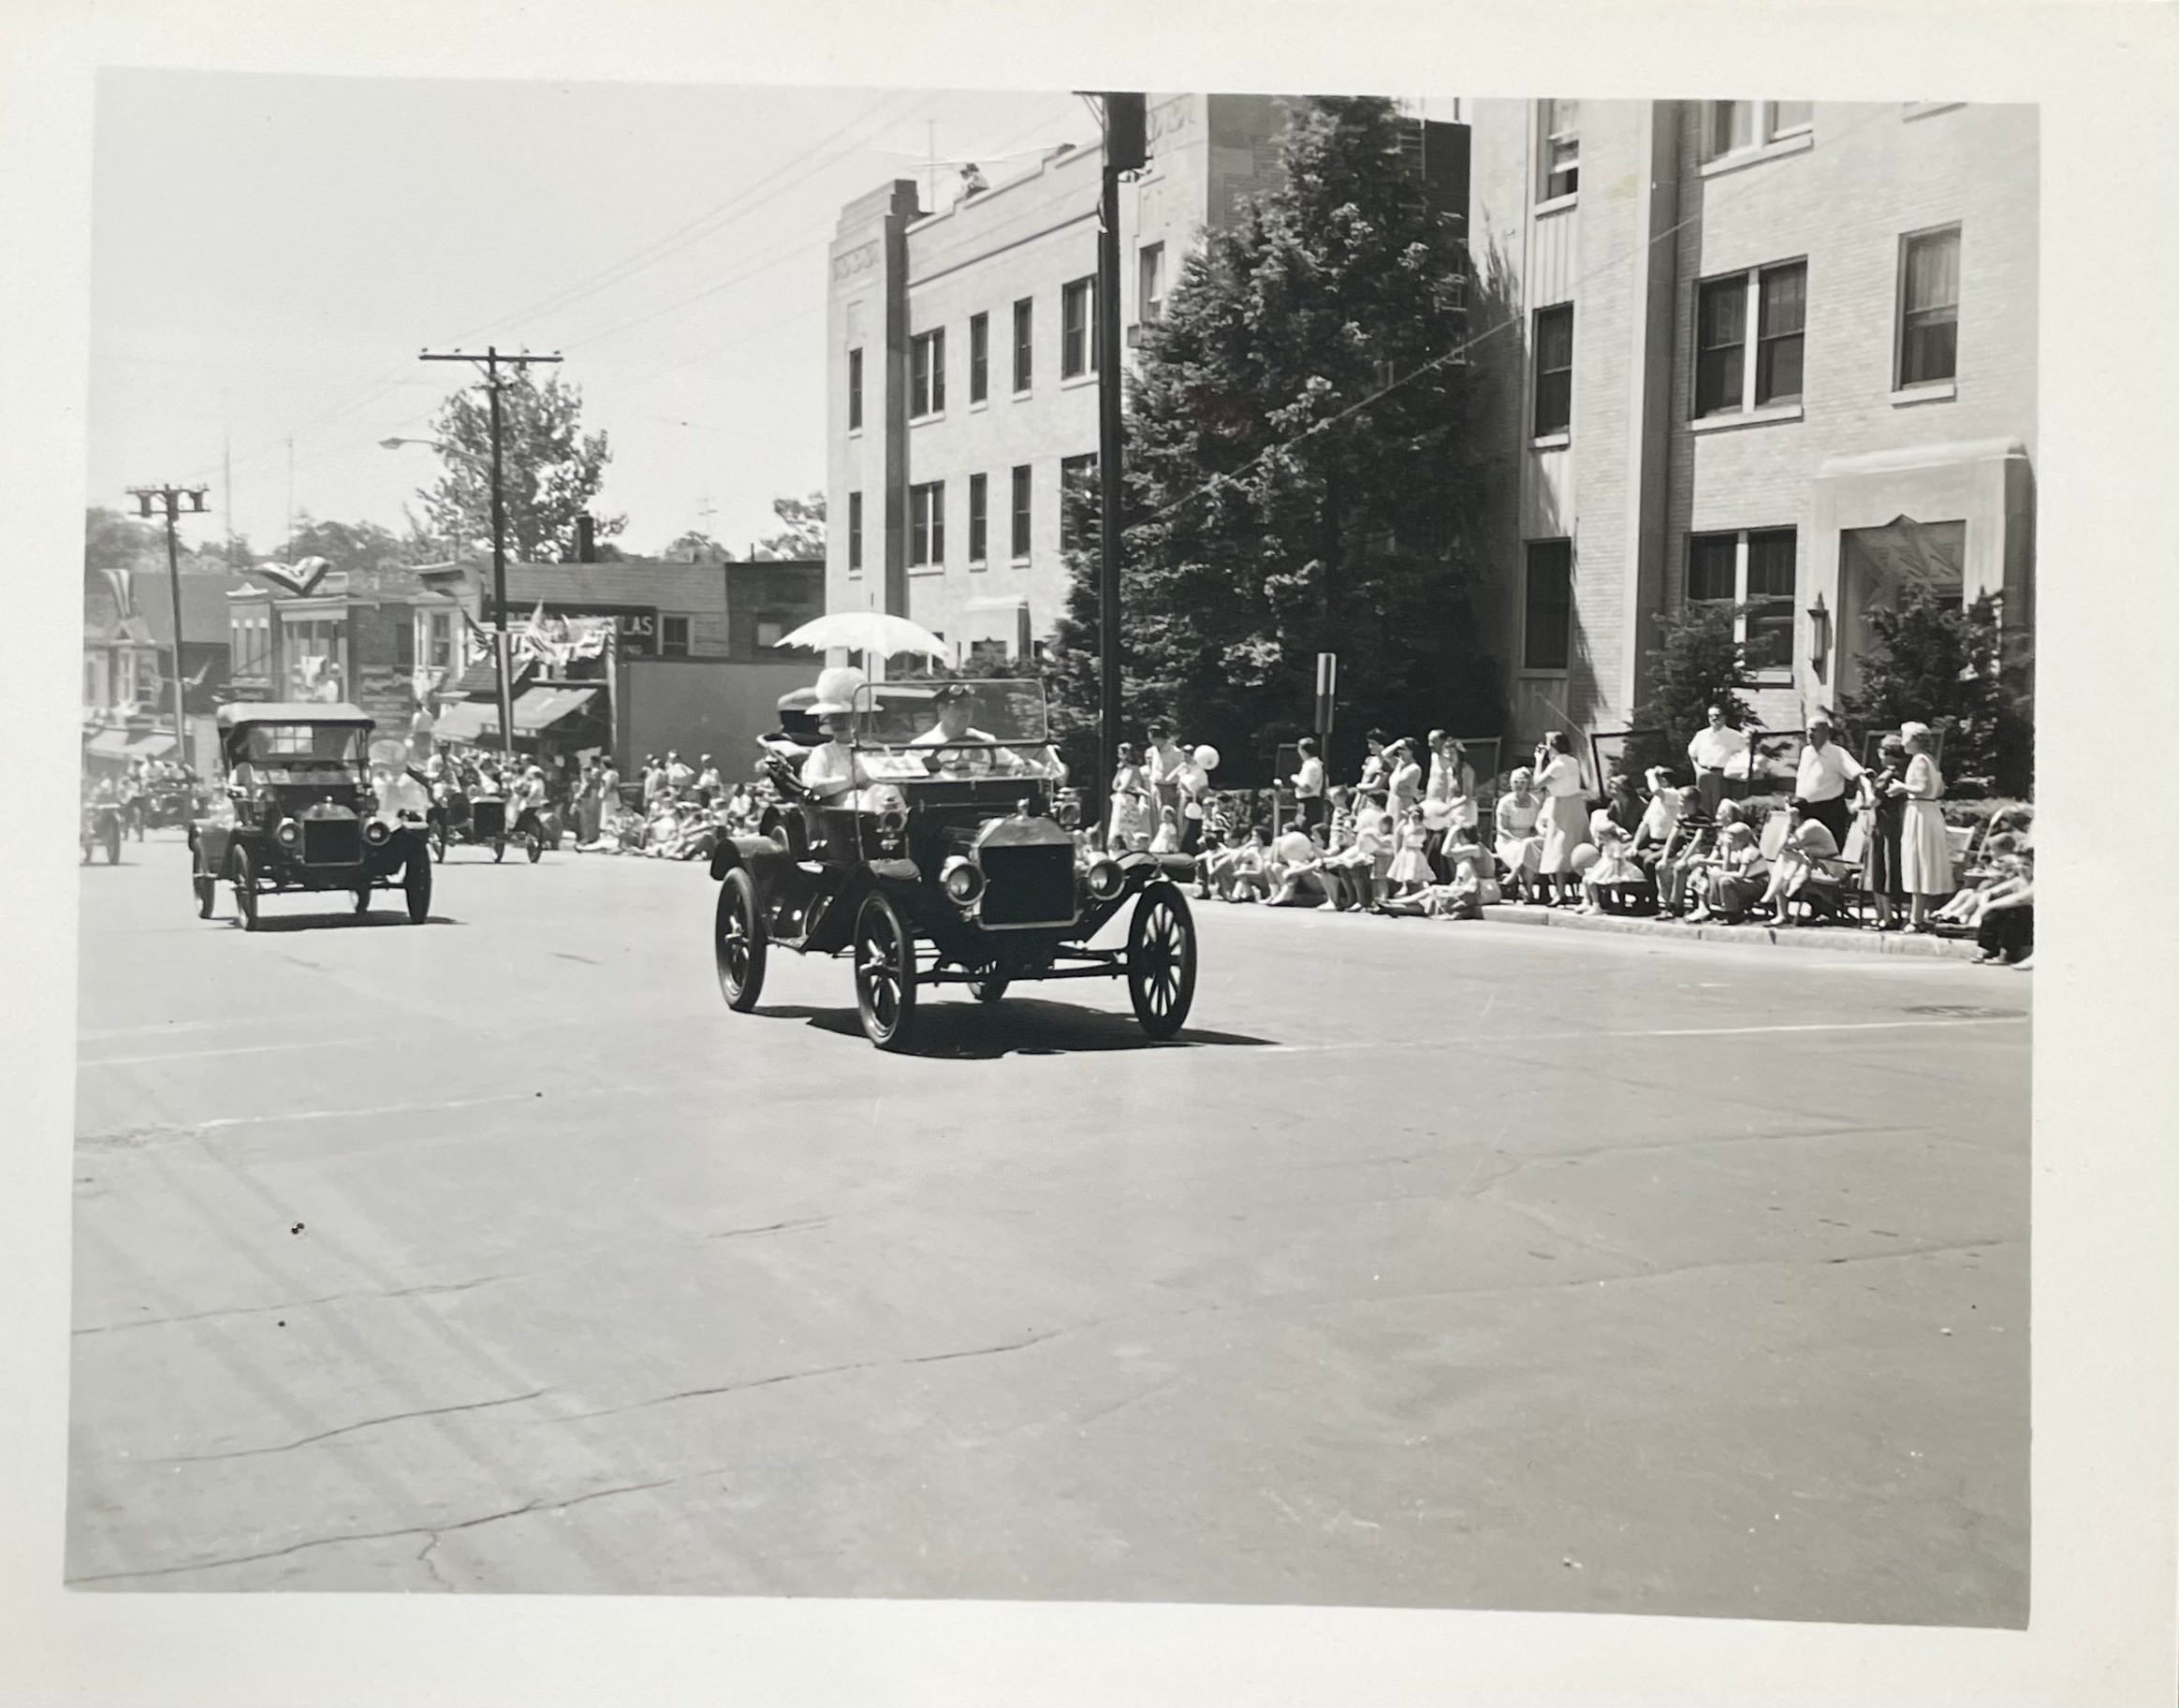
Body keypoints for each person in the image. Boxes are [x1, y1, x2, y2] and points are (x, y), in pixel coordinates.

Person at [1896, 722, 1952, 932]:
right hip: (1929, 811)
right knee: (1923, 862)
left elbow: (1922, 787)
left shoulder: (1919, 760)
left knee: (1918, 862)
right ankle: (1921, 915)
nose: (1902, 742)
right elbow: (1940, 789)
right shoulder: (1930, 760)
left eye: (1905, 737)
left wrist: (1901, 787)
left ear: (1914, 740)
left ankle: (1916, 919)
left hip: (1920, 812)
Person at [1761, 797, 1844, 927]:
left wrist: (1787, 824)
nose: (1787, 815)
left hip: (1830, 868)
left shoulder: (1810, 826)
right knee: (1785, 861)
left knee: (1784, 863)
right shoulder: (1803, 826)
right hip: (1817, 865)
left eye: (1788, 813)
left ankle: (1776, 905)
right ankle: (1778, 908)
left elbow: (1783, 845)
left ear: (1796, 812)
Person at [1856, 733, 1910, 930]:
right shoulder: (1900, 774)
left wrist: (1865, 784)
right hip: (1894, 826)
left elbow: (1873, 801)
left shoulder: (1887, 776)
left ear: (1888, 754)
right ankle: (1886, 915)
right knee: (1889, 870)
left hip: (1883, 828)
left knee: (1881, 871)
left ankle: (1885, 917)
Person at [1532, 731, 1590, 906]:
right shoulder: (1572, 761)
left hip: (1563, 807)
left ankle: (1560, 892)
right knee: (1577, 846)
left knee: (1559, 849)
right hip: (1576, 805)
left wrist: (1539, 760)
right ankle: (1585, 893)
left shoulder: (1557, 765)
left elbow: (1537, 783)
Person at [1792, 713, 1864, 849]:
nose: (1809, 734)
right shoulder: (1806, 752)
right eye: (1807, 730)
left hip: (1829, 812)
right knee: (1806, 851)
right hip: (1805, 811)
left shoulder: (1837, 753)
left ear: (1827, 733)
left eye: (1814, 730)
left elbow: (1859, 776)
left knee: (1831, 851)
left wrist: (1858, 801)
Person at [1654, 787, 1715, 917]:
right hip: (1687, 850)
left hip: (1703, 851)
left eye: (1682, 801)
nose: (1679, 804)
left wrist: (1683, 860)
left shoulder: (1704, 819)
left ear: (1691, 803)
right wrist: (1664, 858)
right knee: (1662, 868)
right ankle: (1665, 903)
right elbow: (1672, 837)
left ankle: (1676, 906)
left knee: (1680, 869)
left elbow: (1697, 840)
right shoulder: (1682, 816)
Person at [1493, 766, 1544, 903]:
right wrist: (1516, 839)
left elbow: (1537, 825)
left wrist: (1535, 836)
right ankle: (1527, 889)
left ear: (1528, 784)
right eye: (1515, 782)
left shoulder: (1535, 802)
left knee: (1528, 848)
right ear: (1511, 784)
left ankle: (1516, 876)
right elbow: (1501, 828)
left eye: (1522, 782)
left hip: (1528, 838)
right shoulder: (1505, 802)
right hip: (1508, 840)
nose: (1519, 785)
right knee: (1522, 850)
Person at [1687, 705, 1750, 815]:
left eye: (1717, 715)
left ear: (1724, 717)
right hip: (1703, 774)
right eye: (1711, 716)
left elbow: (1744, 755)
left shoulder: (1734, 736)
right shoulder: (1701, 735)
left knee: (1720, 808)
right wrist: (1698, 770)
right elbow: (1692, 754)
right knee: (1702, 807)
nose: (1714, 718)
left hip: (1722, 776)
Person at [1145, 723, 1186, 822]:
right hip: (1155, 786)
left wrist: (1179, 787)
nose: (1150, 740)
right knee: (1155, 818)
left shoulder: (1175, 752)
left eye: (1152, 738)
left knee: (1168, 816)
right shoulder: (1151, 751)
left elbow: (1183, 770)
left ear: (1160, 738)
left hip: (1169, 788)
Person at [1291, 736, 1327, 832]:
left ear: (1303, 750)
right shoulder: (1317, 763)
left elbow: (1307, 787)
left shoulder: (1310, 765)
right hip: (1312, 803)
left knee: (1303, 829)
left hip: (1308, 803)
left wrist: (1295, 778)